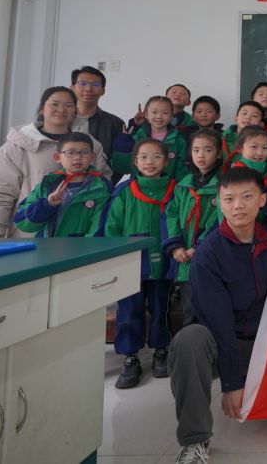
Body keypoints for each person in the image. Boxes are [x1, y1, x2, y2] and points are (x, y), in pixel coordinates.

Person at [168, 166, 267, 463]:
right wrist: (232, 383)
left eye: (247, 197)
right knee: (189, 340)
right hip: (228, 342)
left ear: (262, 200)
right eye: (229, 199)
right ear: (218, 202)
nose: (238, 206)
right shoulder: (208, 254)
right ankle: (195, 440)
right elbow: (219, 324)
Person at [0, 86, 110, 238]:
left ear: (75, 111)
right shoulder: (17, 146)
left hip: (79, 238)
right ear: (42, 108)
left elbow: (102, 186)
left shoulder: (91, 145)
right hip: (28, 236)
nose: (61, 109)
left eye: (68, 105)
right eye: (55, 104)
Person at [99, 138, 177, 389]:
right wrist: (117, 257)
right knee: (129, 310)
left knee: (160, 308)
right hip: (131, 262)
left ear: (166, 161)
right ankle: (130, 356)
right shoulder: (123, 191)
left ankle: (161, 350)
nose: (149, 162)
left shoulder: (175, 190)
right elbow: (112, 228)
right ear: (135, 161)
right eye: (143, 157)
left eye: (156, 157)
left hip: (163, 260)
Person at [165, 129, 224, 323]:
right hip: (185, 256)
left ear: (218, 154)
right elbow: (171, 215)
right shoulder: (183, 185)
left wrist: (200, 245)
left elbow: (220, 220)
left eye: (208, 150)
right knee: (189, 309)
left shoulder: (224, 184)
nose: (201, 155)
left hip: (210, 254)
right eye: (196, 150)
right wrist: (176, 246)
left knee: (212, 309)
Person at [12, 132, 112, 238]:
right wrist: (47, 205)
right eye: (70, 152)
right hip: (46, 247)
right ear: (57, 157)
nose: (78, 157)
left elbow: (99, 230)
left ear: (92, 157)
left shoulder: (101, 188)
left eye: (84, 152)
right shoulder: (47, 184)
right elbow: (22, 222)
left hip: (81, 247)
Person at [112, 96, 188, 181]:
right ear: (146, 115)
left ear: (171, 116)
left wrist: (179, 188)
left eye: (165, 113)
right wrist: (123, 143)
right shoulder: (136, 138)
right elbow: (123, 169)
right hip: (138, 186)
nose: (159, 116)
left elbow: (181, 172)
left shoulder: (179, 141)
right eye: (154, 112)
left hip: (169, 188)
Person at [70, 65, 125, 159]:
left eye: (95, 84)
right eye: (83, 83)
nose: (88, 89)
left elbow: (118, 160)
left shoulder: (115, 123)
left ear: (103, 91)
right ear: (72, 88)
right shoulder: (60, 118)